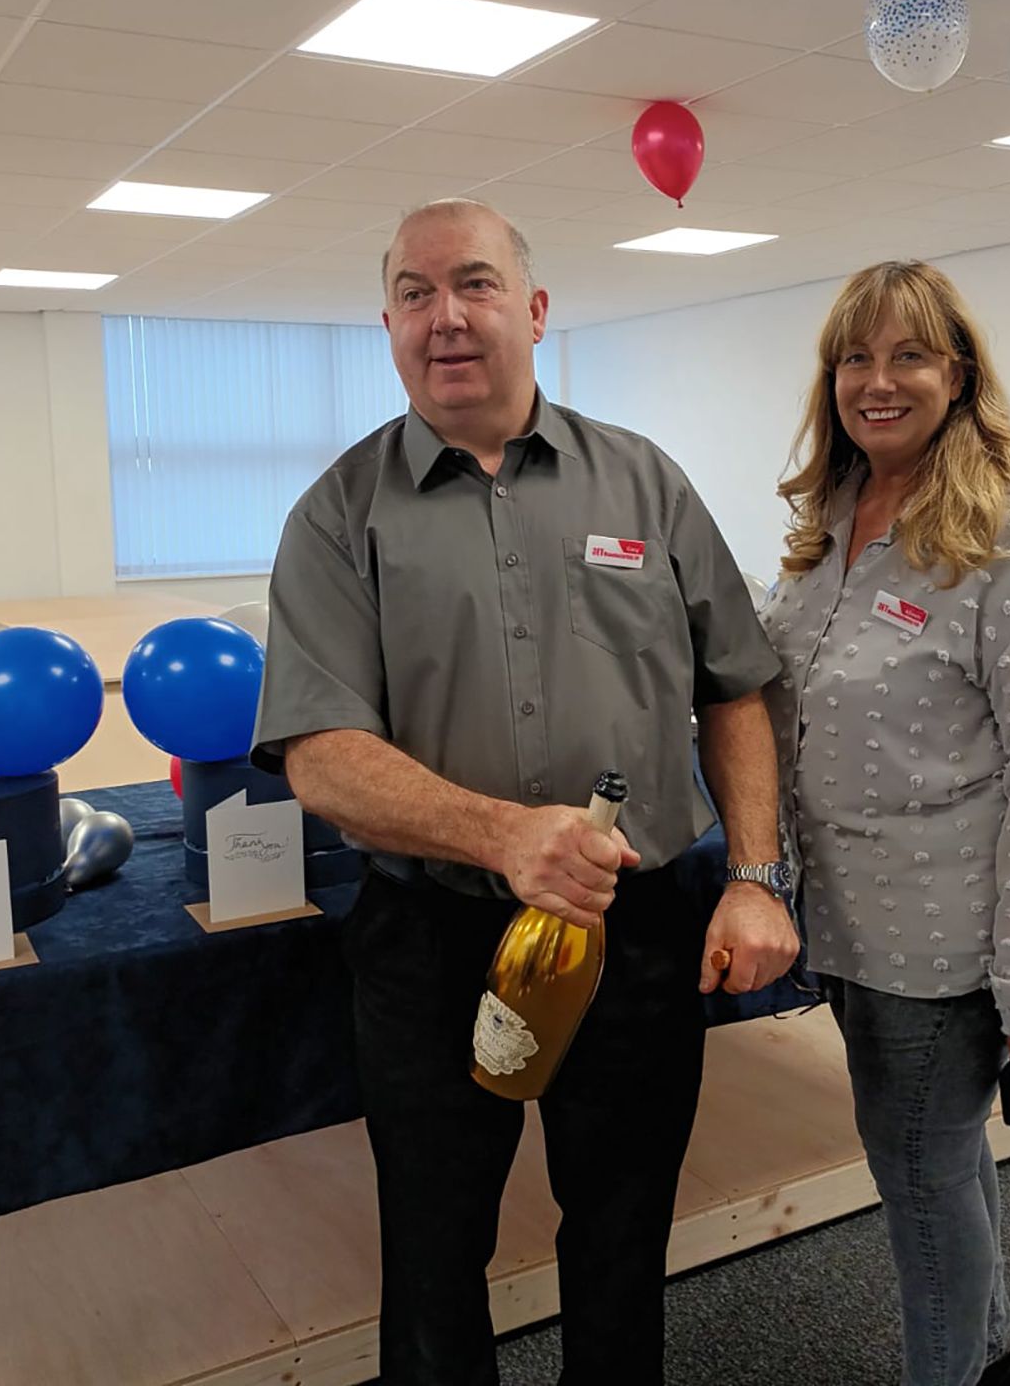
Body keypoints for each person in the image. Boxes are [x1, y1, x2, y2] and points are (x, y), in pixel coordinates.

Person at [251, 198, 798, 1386]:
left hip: (639, 931)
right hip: (433, 940)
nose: (446, 317)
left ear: (535, 310)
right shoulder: (339, 517)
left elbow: (738, 687)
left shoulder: (645, 485)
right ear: (388, 321)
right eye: (415, 292)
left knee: (622, 1230)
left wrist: (755, 877)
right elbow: (321, 752)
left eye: (477, 284)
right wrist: (506, 836)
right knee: (435, 1252)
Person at [762, 260, 1010, 1386]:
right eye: (855, 356)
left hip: (941, 945)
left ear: (958, 372)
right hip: (846, 921)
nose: (878, 379)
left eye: (909, 353)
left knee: (916, 1177)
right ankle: (995, 1359)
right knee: (943, 1163)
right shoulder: (831, 521)